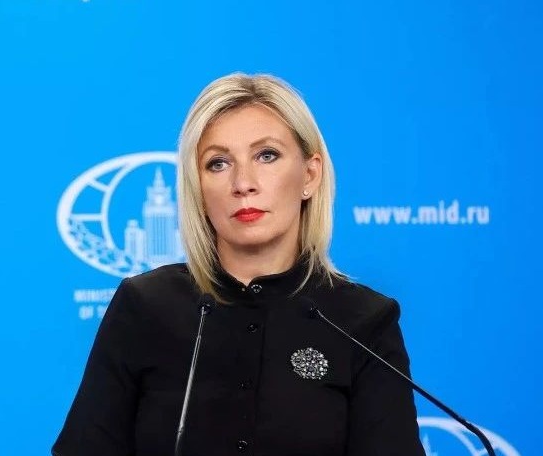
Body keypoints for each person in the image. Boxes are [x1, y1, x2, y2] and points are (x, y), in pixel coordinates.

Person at [52, 73, 425, 456]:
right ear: (198, 188)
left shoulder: (364, 321)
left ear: (310, 175)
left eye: (267, 156)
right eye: (218, 163)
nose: (243, 183)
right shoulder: (145, 305)